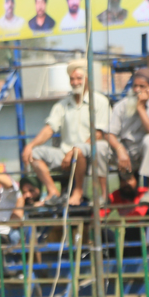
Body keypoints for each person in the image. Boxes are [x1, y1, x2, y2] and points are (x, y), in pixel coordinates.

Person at [20, 59, 111, 206]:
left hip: (89, 154)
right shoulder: (62, 105)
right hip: (65, 154)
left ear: (87, 79)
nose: (75, 82)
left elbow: (99, 133)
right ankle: (52, 192)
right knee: (34, 154)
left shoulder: (100, 102)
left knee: (79, 151)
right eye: (72, 79)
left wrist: (75, 151)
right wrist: (30, 145)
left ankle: (78, 192)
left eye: (79, 78)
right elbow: (49, 129)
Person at [104, 68, 149, 203]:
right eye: (135, 86)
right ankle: (102, 196)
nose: (137, 90)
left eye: (142, 87)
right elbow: (109, 133)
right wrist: (119, 149)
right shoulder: (121, 106)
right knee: (100, 147)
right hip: (131, 150)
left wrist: (140, 107)